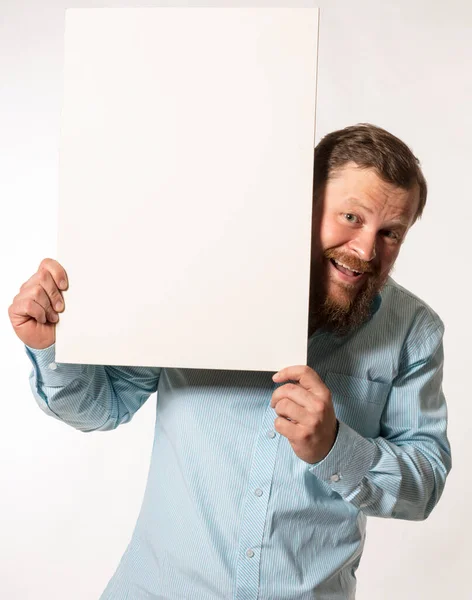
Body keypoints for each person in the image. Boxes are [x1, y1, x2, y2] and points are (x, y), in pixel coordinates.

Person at [9, 123, 451, 599]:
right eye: (351, 216)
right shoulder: (196, 276)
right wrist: (52, 347)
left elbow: (424, 482)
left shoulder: (414, 331)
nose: (366, 250)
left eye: (391, 234)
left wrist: (336, 447)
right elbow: (104, 406)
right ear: (303, 198)